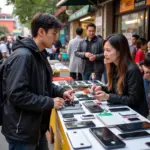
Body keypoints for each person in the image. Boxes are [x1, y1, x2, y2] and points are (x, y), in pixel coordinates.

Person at [2, 13, 74, 150]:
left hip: (37, 127)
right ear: (41, 32)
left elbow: (44, 85)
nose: (56, 37)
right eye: (54, 33)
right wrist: (50, 102)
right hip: (22, 132)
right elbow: (17, 94)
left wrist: (61, 92)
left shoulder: (39, 54)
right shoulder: (23, 56)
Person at [91, 34, 149, 117]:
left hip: (135, 115)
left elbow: (133, 99)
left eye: (108, 50)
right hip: (122, 111)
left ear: (119, 52)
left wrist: (108, 97)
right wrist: (102, 88)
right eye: (104, 50)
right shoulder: (113, 66)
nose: (105, 54)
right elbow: (117, 89)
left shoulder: (132, 70)